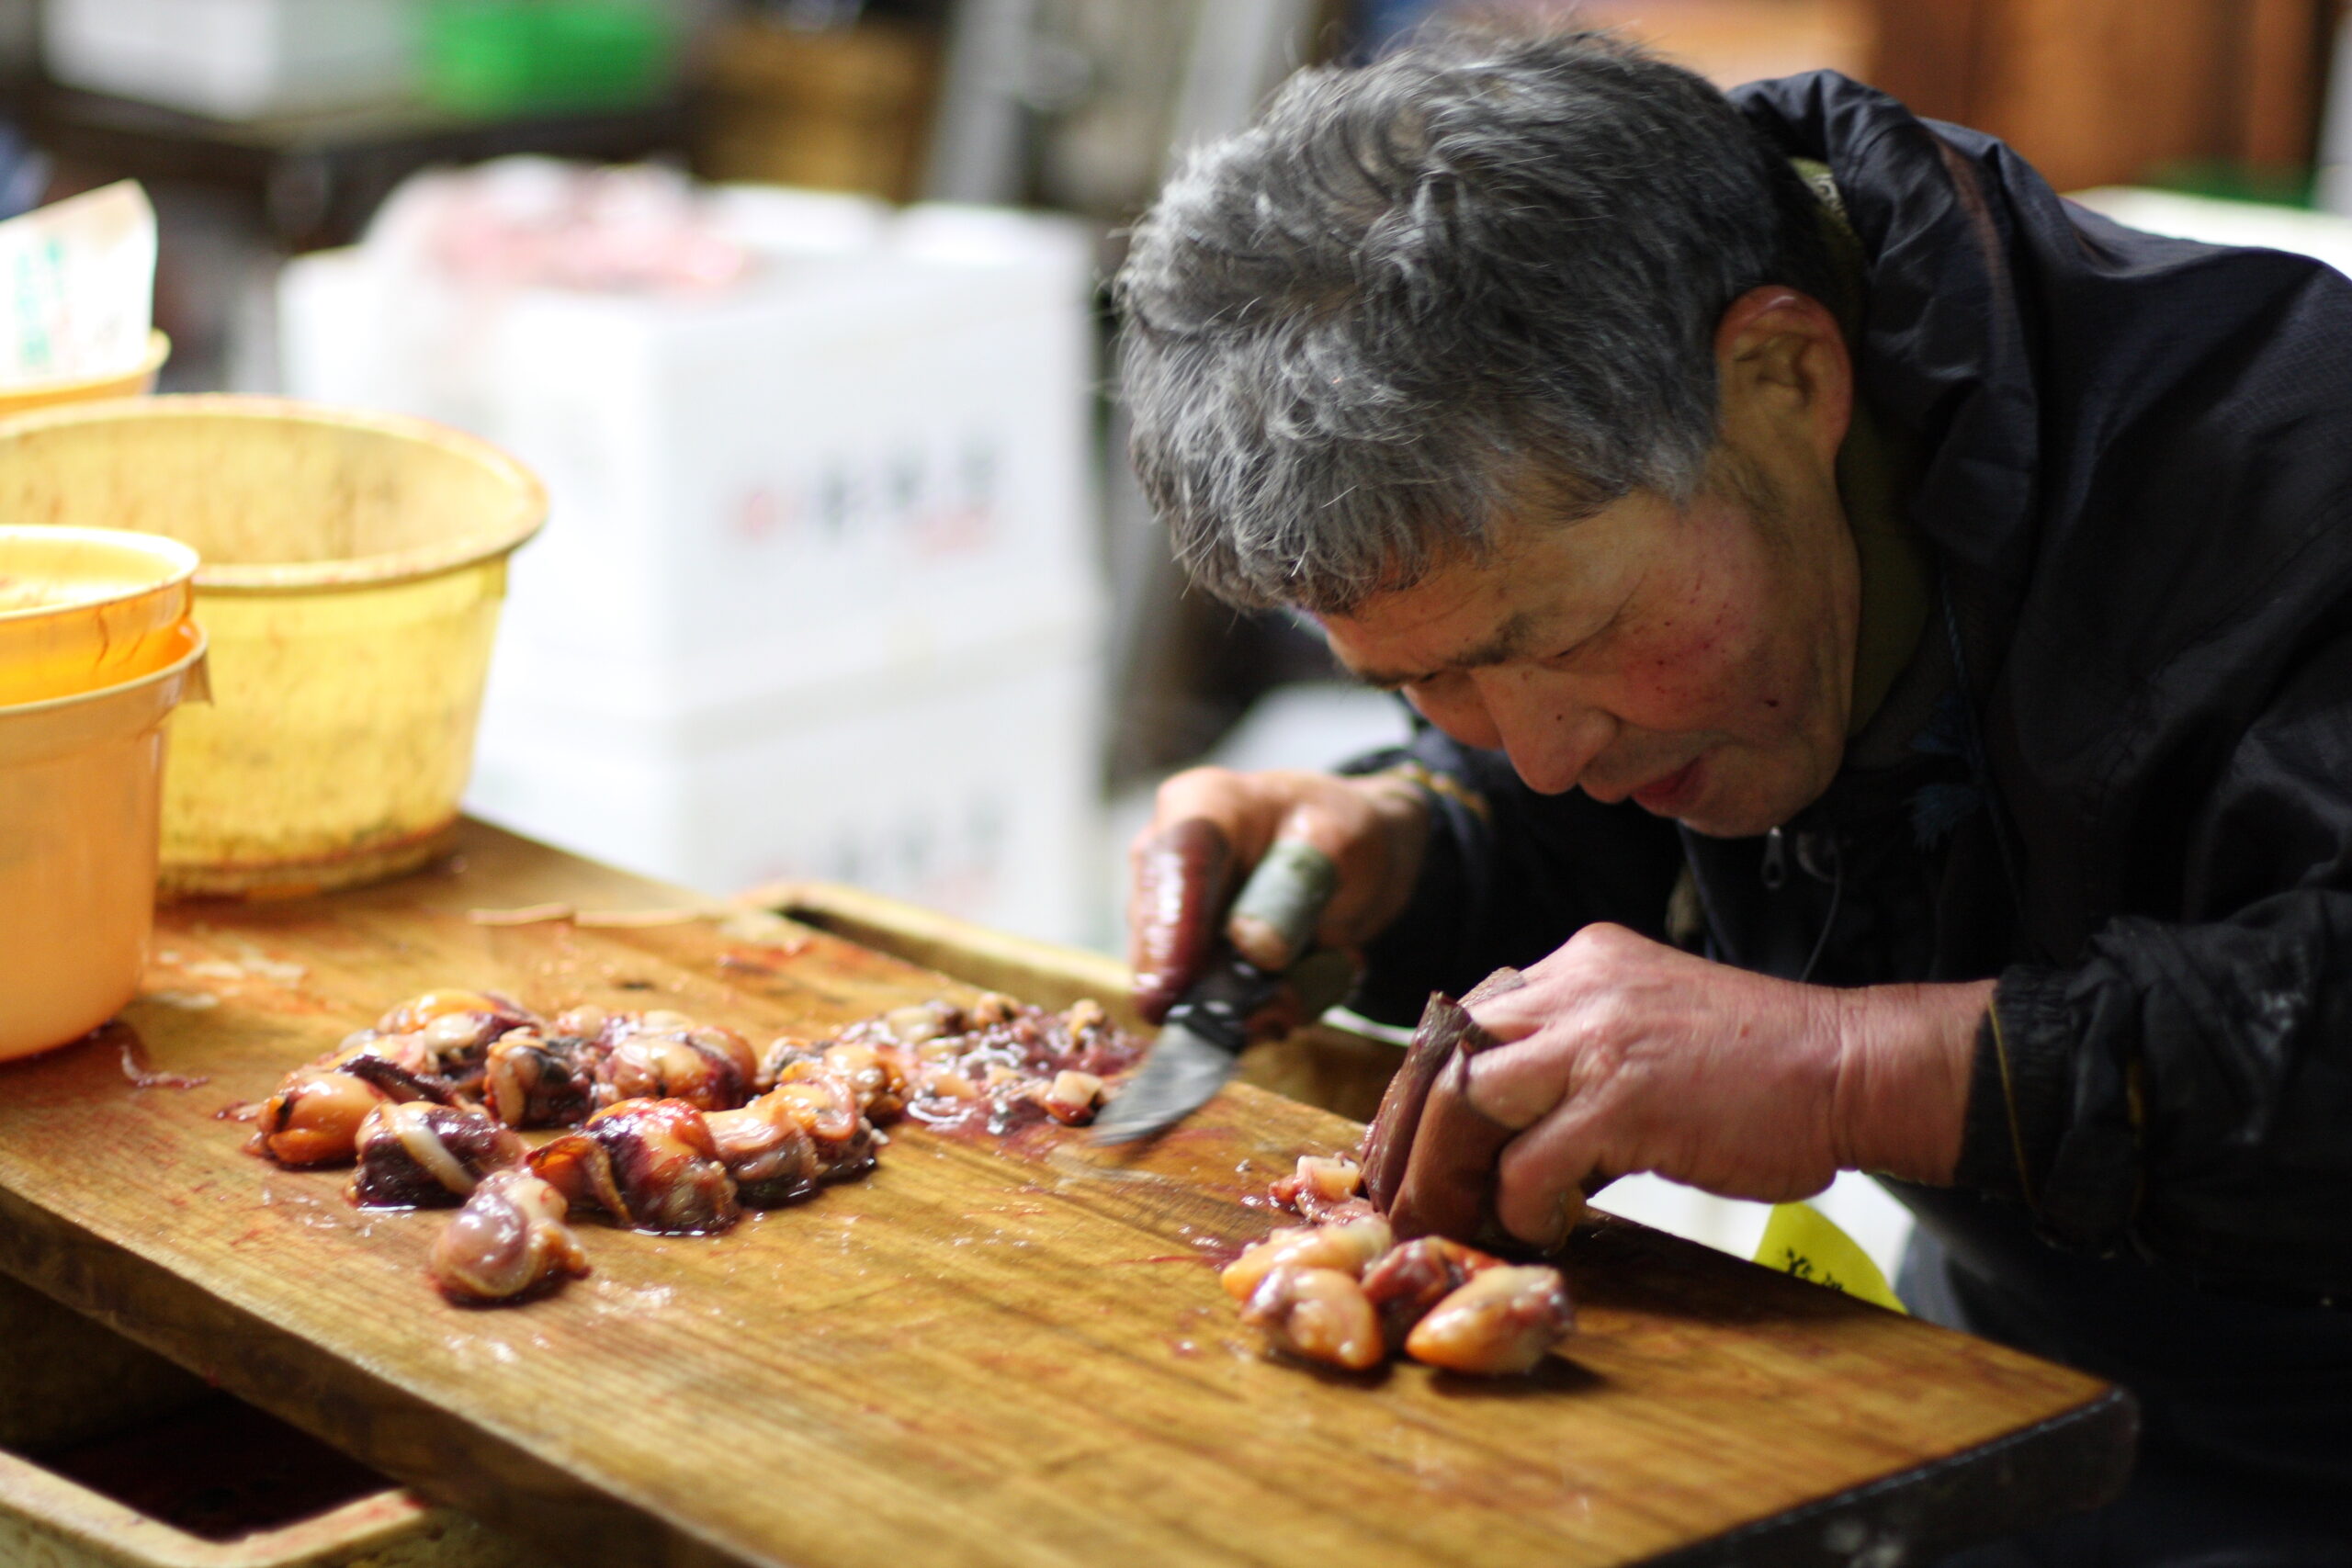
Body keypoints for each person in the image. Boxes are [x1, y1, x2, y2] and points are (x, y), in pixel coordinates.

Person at [1113, 28, 2352, 1564]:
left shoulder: (2294, 467)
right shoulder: (1659, 531)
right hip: (2000, 1404)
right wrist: (1425, 840)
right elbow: (1605, 824)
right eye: (1427, 683)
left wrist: (1847, 1070)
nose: (1546, 746)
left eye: (1560, 640)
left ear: (1783, 377)